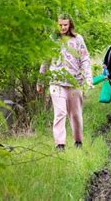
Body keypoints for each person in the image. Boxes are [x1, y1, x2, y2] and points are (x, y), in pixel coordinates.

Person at [37, 14, 93, 151]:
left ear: (70, 25)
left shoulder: (78, 39)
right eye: (60, 25)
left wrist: (88, 78)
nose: (62, 27)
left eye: (65, 25)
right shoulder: (52, 39)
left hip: (75, 82)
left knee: (75, 114)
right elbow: (45, 60)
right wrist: (40, 80)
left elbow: (85, 59)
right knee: (60, 112)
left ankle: (78, 141)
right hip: (56, 81)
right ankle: (60, 144)